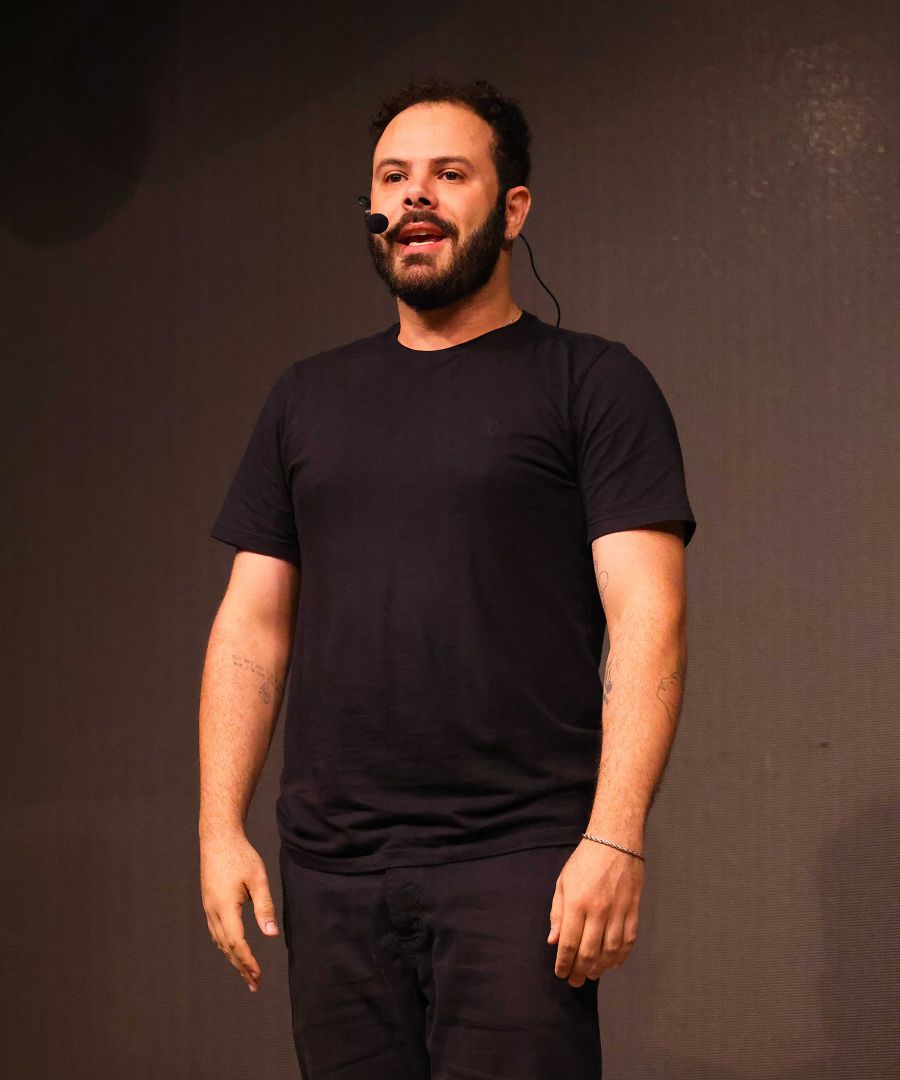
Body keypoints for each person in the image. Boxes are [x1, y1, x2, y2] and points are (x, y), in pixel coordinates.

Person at [199, 77, 697, 1080]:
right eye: (393, 177)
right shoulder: (306, 397)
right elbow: (252, 625)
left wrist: (616, 836)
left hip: (518, 859)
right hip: (333, 869)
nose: (415, 195)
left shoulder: (591, 382)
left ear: (512, 208)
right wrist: (219, 828)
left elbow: (648, 613)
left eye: (449, 174)